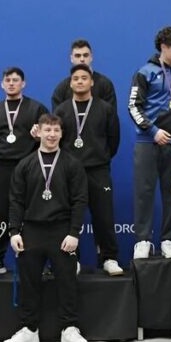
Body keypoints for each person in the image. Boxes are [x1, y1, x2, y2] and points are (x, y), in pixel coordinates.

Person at [2, 114, 90, 342]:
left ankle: (69, 328)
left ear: (62, 134)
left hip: (62, 231)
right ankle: (29, 329)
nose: (51, 135)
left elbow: (80, 200)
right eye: (47, 130)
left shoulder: (72, 163)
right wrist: (14, 231)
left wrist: (74, 233)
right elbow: (16, 200)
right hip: (31, 230)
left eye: (56, 130)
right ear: (38, 132)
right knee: (28, 282)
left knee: (67, 282)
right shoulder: (25, 164)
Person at [0, 67, 49, 273]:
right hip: (0, 167)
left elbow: (52, 136)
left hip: (28, 167)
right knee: (0, 213)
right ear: (2, 84)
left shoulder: (37, 109)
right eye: (8, 80)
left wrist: (38, 137)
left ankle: (34, 258)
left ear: (23, 83)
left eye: (16, 80)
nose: (11, 83)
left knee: (33, 213)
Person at [128, 26, 171, 259]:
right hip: (148, 141)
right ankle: (143, 240)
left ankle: (167, 239)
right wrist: (153, 131)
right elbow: (133, 107)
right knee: (144, 192)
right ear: (163, 47)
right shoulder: (145, 72)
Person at [54, 64, 122, 275]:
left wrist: (99, 157)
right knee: (67, 217)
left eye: (84, 78)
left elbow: (113, 140)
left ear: (92, 82)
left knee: (103, 216)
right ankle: (71, 260)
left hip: (98, 170)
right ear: (70, 83)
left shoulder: (105, 108)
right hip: (69, 172)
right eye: (76, 78)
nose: (80, 81)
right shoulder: (62, 110)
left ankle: (109, 258)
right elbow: (56, 139)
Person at [50, 39, 117, 109]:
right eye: (78, 56)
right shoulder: (61, 89)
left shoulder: (105, 85)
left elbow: (111, 116)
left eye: (85, 55)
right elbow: (56, 118)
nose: (82, 59)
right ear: (71, 58)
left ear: (91, 57)